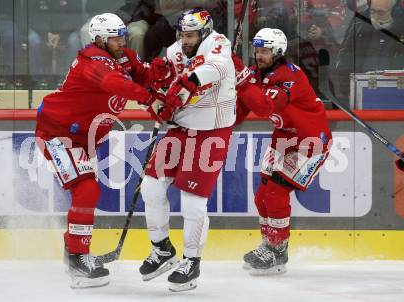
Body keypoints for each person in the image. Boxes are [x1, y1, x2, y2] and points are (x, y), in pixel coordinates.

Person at [34, 13, 169, 289]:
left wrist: (163, 77)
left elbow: (143, 76)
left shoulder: (122, 56)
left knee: (87, 191)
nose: (121, 42)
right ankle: (77, 257)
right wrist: (149, 99)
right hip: (58, 134)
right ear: (99, 40)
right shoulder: (91, 61)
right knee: (86, 191)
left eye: (122, 36)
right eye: (115, 38)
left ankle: (73, 251)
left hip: (84, 137)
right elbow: (114, 84)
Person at [138, 8, 236, 292]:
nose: (186, 40)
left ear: (204, 32)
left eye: (192, 35)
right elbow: (162, 86)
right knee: (151, 187)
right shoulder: (174, 50)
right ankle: (162, 248)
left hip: (211, 131)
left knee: (192, 201)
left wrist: (183, 84)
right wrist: (158, 99)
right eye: (183, 34)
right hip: (180, 129)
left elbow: (214, 70)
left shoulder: (218, 43)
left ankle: (191, 261)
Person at [236, 28, 333, 275]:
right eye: (257, 50)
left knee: (276, 193)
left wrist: (244, 83)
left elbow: (265, 106)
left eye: (265, 51)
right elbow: (241, 112)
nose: (259, 55)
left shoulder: (291, 76)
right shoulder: (257, 75)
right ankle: (268, 245)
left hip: (309, 142)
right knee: (262, 196)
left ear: (278, 52)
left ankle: (278, 251)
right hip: (283, 140)